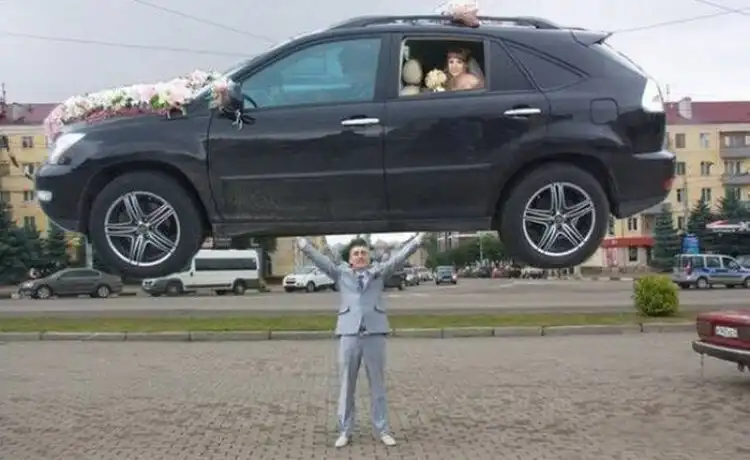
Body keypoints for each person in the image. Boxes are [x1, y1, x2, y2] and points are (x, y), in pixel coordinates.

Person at [296, 233, 425, 448]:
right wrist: (304, 246)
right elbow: (322, 261)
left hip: (374, 333)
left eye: (363, 253)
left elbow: (398, 258)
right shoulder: (341, 274)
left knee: (378, 385)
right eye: (356, 253)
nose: (360, 256)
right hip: (349, 333)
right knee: (347, 385)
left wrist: (416, 242)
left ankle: (382, 430)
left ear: (369, 257)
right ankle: (345, 430)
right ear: (350, 258)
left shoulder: (379, 273)